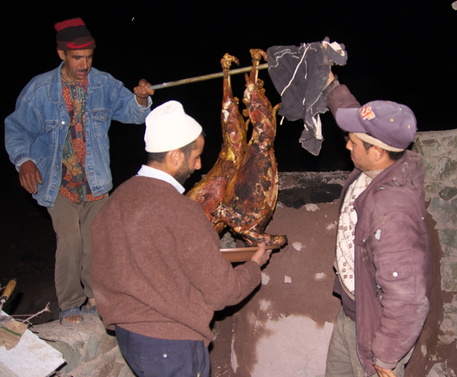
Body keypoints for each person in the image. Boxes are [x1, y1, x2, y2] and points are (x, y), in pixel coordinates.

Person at [91, 100, 271, 377]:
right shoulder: (181, 209)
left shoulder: (117, 200)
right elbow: (223, 291)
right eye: (195, 156)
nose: (199, 165)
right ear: (175, 156)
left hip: (130, 337)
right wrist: (254, 266)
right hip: (170, 344)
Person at [4, 17, 154, 326]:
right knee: (71, 241)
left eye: (88, 56)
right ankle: (71, 304)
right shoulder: (40, 90)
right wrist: (25, 161)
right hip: (56, 182)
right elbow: (16, 130)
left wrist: (141, 99)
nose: (84, 64)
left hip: (95, 180)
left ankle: (96, 297)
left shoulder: (103, 84)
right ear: (61, 55)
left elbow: (132, 113)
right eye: (77, 58)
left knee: (96, 242)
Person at [324, 72, 431, 377]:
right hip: (352, 313)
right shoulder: (380, 166)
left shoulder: (392, 210)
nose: (347, 146)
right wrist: (331, 86)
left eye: (354, 142)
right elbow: (355, 114)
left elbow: (408, 297)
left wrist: (385, 356)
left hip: (375, 330)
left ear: (378, 151)